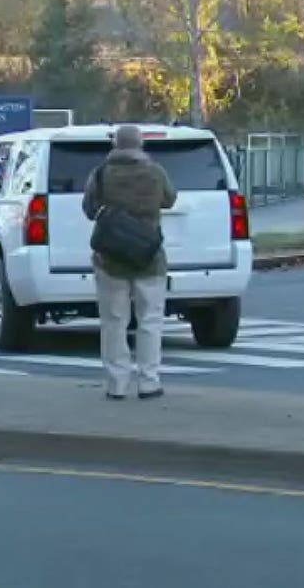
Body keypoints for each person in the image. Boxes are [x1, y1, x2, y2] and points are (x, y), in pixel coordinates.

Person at [81, 125, 177, 400]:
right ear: (141, 144)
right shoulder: (155, 172)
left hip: (110, 258)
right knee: (150, 320)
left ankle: (117, 383)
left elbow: (89, 210)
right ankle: (149, 381)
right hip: (150, 256)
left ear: (115, 145)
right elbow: (170, 199)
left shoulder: (100, 174)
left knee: (113, 321)